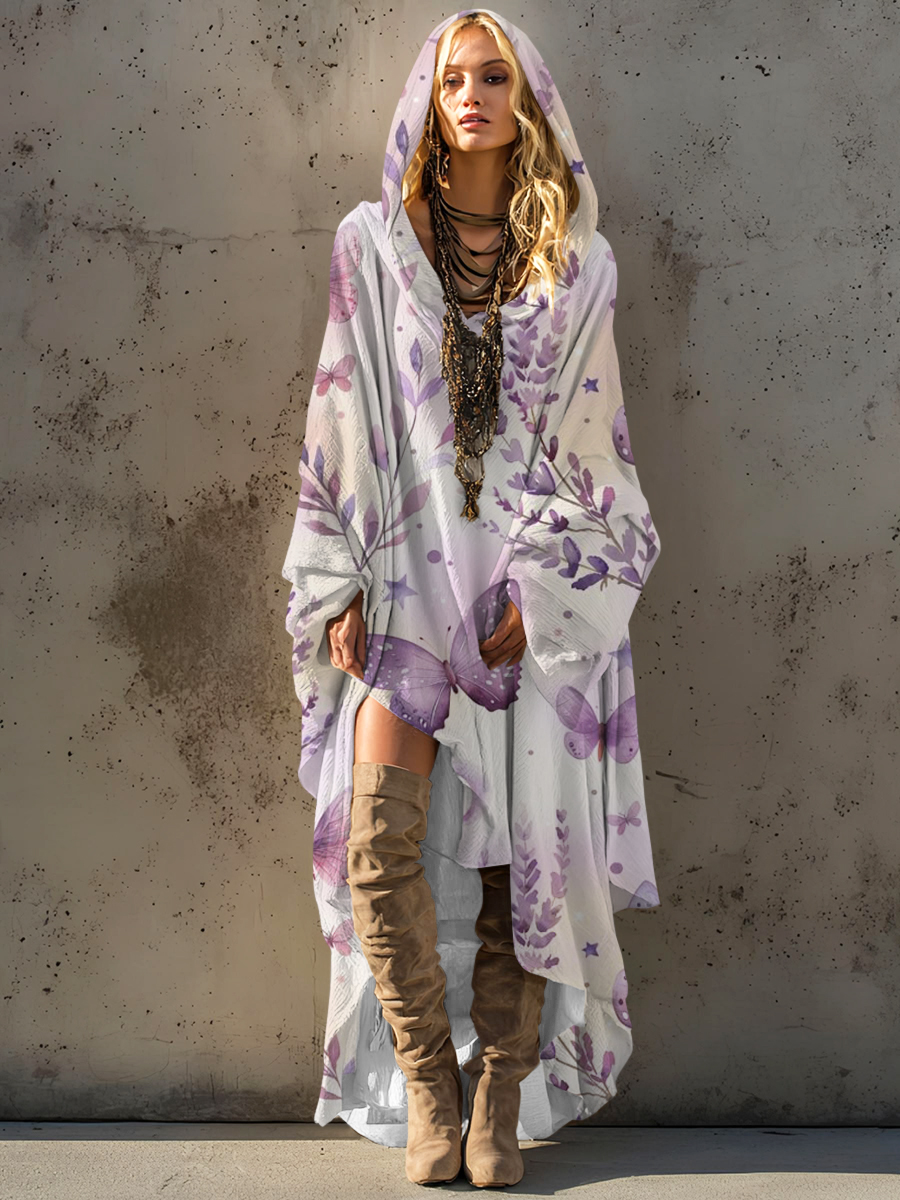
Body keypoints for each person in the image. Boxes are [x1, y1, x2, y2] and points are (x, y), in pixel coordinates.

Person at [281, 8, 663, 1189]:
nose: (472, 96)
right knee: (377, 838)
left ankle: (500, 1085)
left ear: (525, 98)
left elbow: (597, 443)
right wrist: (340, 573)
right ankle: (426, 1086)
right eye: (454, 79)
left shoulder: (578, 264)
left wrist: (544, 589)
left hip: (523, 586)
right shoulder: (373, 245)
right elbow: (340, 407)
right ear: (430, 97)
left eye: (495, 77)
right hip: (406, 569)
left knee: (522, 848)